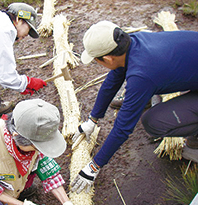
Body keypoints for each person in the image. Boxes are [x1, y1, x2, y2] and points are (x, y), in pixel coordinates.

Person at [71, 21, 198, 194]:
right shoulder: (133, 42)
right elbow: (112, 81)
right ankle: (150, 97)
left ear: (107, 59)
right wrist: (92, 120)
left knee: (153, 122)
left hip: (157, 75)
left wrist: (94, 166)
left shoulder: (142, 75)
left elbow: (122, 129)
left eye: (96, 60)